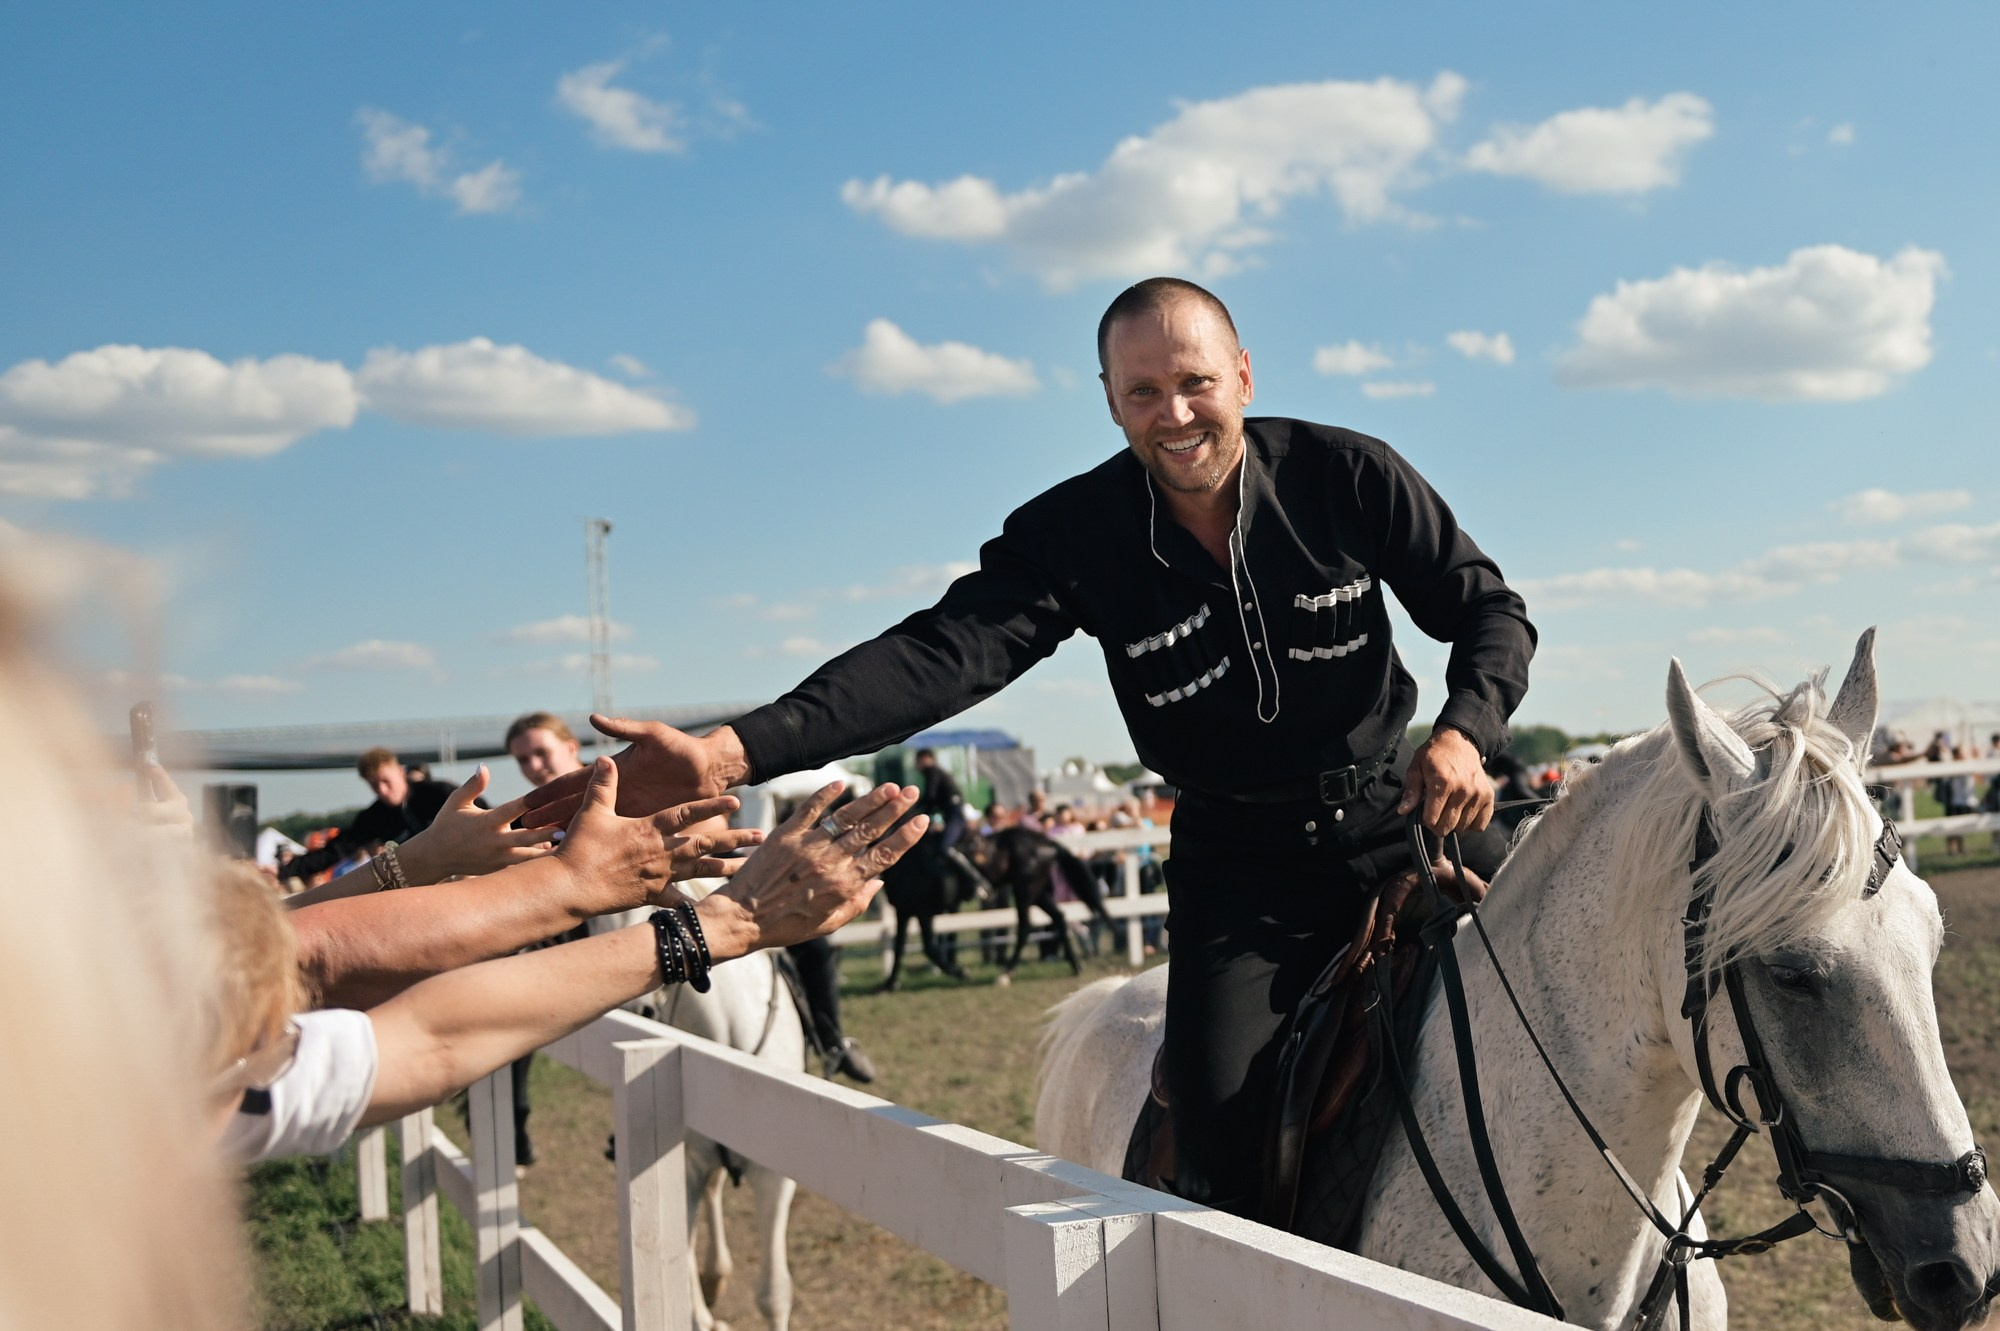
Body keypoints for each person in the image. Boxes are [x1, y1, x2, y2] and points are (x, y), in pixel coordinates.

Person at [523, 276, 1535, 1216]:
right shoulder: (1075, 532)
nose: (1174, 412)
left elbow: (1488, 611)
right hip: (1244, 868)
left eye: (1194, 382)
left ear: (1242, 375)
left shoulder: (1346, 473)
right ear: (1108, 400)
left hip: (1407, 817)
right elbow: (937, 655)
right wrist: (734, 753)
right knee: (1218, 1138)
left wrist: (1461, 732)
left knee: (1601, 972)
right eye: (1143, 391)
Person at [215, 769, 922, 1163]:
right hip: (588, 895)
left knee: (814, 960)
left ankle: (828, 1032)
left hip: (557, 877)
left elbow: (288, 949)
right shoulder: (169, 1091)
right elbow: (424, 1034)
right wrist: (720, 923)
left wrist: (426, 860)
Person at [277, 746, 460, 882]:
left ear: (400, 772)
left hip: (461, 868)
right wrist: (285, 870)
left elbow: (480, 809)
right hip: (424, 881)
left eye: (386, 781)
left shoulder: (439, 793)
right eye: (374, 785)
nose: (382, 790)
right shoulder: (374, 816)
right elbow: (334, 851)